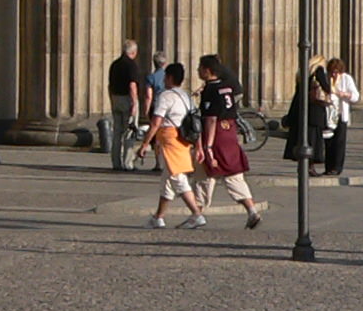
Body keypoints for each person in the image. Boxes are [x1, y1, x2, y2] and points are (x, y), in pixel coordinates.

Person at [191, 54, 267, 227]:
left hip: (216, 135)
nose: (198, 71)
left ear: (207, 71)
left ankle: (197, 213)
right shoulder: (227, 86)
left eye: (200, 68)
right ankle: (252, 210)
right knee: (233, 174)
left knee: (204, 174)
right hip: (230, 132)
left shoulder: (210, 89)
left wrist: (208, 147)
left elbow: (211, 119)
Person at [144, 61, 208, 229]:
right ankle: (158, 217)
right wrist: (199, 146)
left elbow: (156, 122)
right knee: (168, 179)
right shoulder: (186, 97)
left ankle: (196, 214)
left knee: (177, 177)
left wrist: (145, 143)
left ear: (170, 77)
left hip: (169, 139)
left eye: (166, 76)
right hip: (183, 139)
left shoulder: (165, 96)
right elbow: (196, 123)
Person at [108, 39, 147, 169]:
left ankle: (116, 162)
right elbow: (132, 85)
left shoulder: (114, 64)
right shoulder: (131, 65)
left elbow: (109, 85)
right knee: (129, 132)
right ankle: (127, 163)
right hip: (127, 99)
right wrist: (134, 103)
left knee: (117, 133)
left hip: (115, 98)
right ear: (133, 52)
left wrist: (111, 99)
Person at [323, 56, 360, 176]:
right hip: (329, 114)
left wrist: (343, 94)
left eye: (336, 72)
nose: (334, 75)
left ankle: (337, 167)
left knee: (339, 141)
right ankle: (328, 166)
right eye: (332, 72)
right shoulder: (327, 79)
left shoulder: (346, 79)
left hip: (340, 114)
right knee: (328, 141)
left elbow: (355, 97)